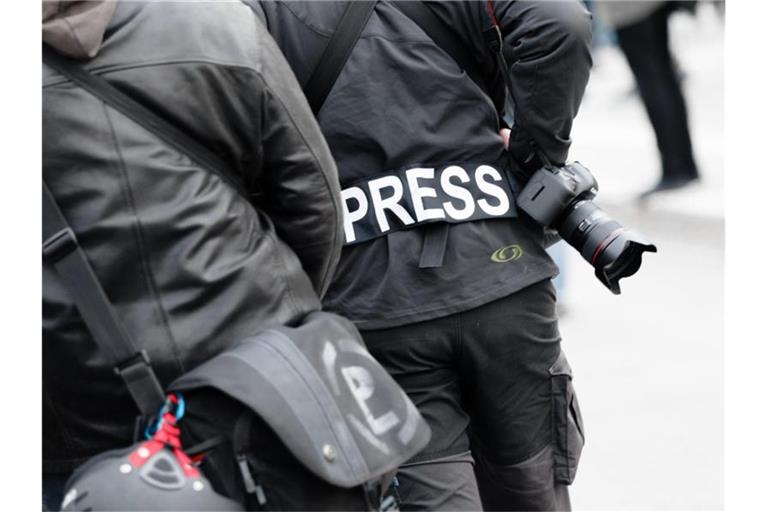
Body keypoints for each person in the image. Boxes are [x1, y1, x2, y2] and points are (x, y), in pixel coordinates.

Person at [250, 1, 592, 510]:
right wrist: (533, 161)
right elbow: (560, 22)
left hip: (370, 298)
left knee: (433, 498)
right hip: (501, 276)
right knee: (532, 496)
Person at [42, 2, 343, 509]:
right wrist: (285, 326)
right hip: (266, 393)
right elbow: (316, 206)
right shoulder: (217, 23)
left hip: (83, 437)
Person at [599, 0, 701, 197]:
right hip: (652, 5)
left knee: (653, 83)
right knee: (665, 78)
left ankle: (676, 168)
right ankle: (684, 166)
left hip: (631, 10)